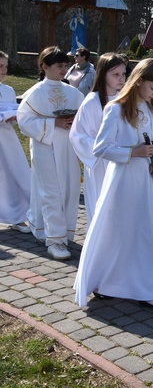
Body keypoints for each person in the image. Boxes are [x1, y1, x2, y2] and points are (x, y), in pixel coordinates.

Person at [74, 58, 153, 312]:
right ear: (139, 81)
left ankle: (148, 287)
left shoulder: (147, 108)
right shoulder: (114, 108)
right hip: (121, 182)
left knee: (144, 232)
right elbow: (100, 148)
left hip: (143, 181)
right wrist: (131, 153)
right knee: (118, 232)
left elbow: (149, 142)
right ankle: (104, 282)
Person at [17, 46, 84, 260]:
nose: (63, 70)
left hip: (68, 147)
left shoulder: (74, 92)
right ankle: (55, 241)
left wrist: (74, 123)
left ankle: (43, 226)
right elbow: (24, 121)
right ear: (44, 67)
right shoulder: (35, 93)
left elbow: (85, 120)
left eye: (65, 66)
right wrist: (52, 123)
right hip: (45, 145)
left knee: (69, 189)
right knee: (51, 191)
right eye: (58, 66)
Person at [70, 53, 129, 227]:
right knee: (101, 209)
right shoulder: (92, 102)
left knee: (120, 211)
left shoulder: (125, 100)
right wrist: (103, 148)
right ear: (103, 74)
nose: (121, 79)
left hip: (122, 161)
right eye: (115, 74)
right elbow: (77, 136)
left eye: (124, 74)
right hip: (100, 163)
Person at [0, 50, 32, 233]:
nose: (4, 70)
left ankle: (18, 216)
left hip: (7, 139)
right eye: (0, 66)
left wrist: (15, 116)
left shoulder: (9, 90)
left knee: (15, 175)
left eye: (5, 66)